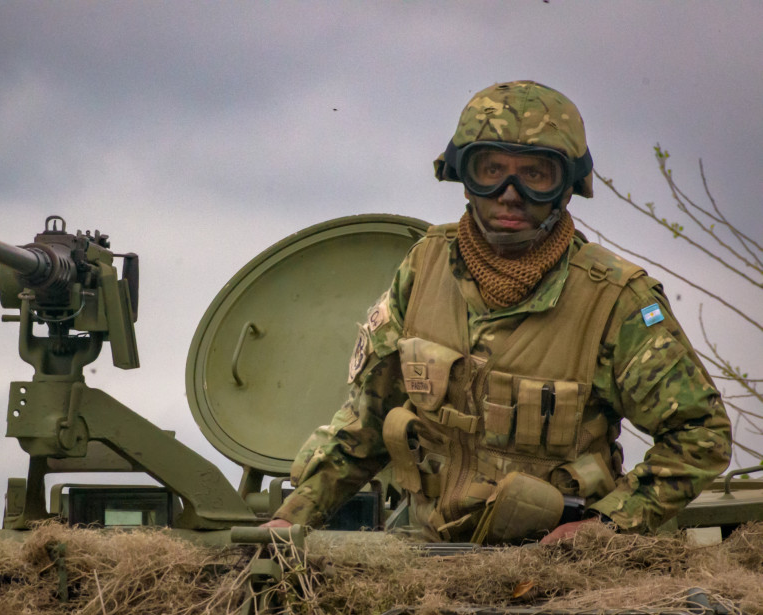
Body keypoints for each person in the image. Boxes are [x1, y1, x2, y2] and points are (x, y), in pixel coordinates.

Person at [263, 80, 731, 544]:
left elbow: (700, 435)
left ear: (568, 187)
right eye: (491, 170)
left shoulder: (616, 301)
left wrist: (605, 527)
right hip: (428, 558)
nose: (510, 193)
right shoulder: (423, 269)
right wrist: (292, 515)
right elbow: (368, 417)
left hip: (560, 573)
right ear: (463, 179)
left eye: (535, 175)